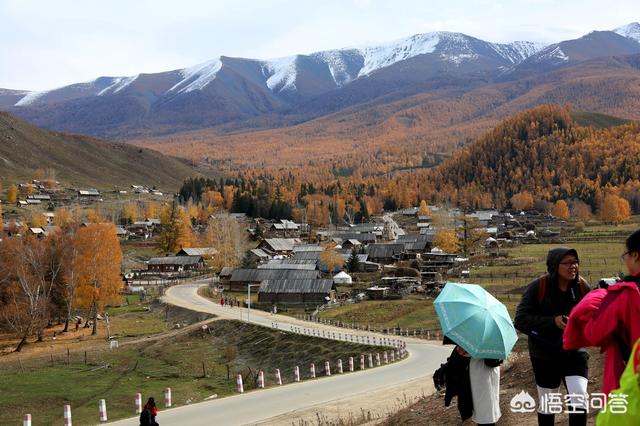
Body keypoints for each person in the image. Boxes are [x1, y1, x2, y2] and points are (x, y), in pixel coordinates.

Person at [514, 248, 591, 426]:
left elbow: (593, 313)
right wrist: (552, 322)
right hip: (545, 355)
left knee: (579, 398)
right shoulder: (538, 287)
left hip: (574, 352)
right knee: (549, 402)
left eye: (575, 262)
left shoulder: (582, 286)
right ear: (555, 266)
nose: (573, 266)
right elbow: (520, 320)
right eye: (568, 263)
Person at [564, 229, 640, 396]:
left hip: (633, 374)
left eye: (626, 254)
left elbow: (595, 333)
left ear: (635, 255)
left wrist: (598, 296)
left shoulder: (625, 294)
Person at [434, 338, 502, 425]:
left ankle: (486, 421)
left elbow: (462, 352)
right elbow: (495, 360)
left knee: (484, 405)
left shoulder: (472, 336)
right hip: (488, 372)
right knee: (489, 404)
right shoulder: (493, 338)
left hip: (479, 372)